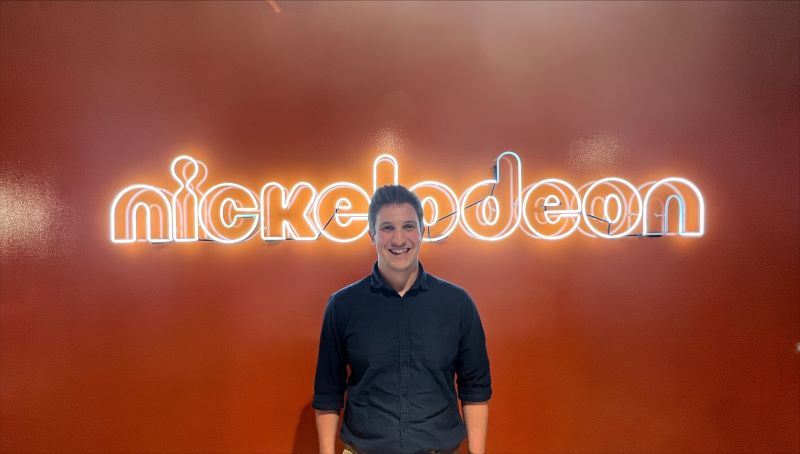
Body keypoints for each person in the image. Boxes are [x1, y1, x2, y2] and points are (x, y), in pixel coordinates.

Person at [313, 185, 492, 454]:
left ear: (422, 232)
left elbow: (475, 390)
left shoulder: (458, 304)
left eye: (408, 226)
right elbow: (328, 394)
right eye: (387, 228)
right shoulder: (343, 306)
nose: (399, 239)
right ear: (371, 235)